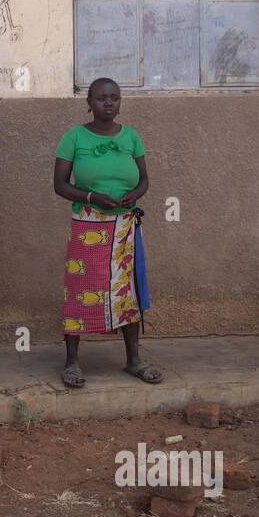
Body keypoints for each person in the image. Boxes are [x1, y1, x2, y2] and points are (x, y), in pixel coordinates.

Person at [52, 77, 160, 388]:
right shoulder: (73, 138)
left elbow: (144, 180)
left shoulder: (132, 138)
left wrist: (134, 194)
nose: (108, 103)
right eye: (101, 98)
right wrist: (92, 197)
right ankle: (72, 362)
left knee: (127, 290)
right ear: (89, 102)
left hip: (125, 225)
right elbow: (60, 185)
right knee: (80, 289)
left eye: (114, 97)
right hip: (88, 225)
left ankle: (134, 360)